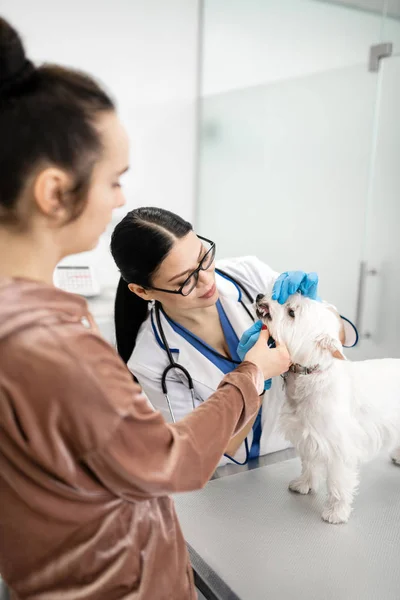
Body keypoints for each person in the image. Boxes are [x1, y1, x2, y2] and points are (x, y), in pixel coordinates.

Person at [0, 18, 291, 600]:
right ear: (55, 192)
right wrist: (253, 373)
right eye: (114, 179)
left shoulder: (39, 320)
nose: (122, 199)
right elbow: (175, 461)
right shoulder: (47, 344)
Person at [111, 207, 357, 465]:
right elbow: (208, 451)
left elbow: (338, 339)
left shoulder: (247, 274)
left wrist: (318, 311)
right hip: (230, 482)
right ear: (143, 291)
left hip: (299, 457)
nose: (207, 280)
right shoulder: (151, 361)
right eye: (185, 281)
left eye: (204, 258)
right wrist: (255, 377)